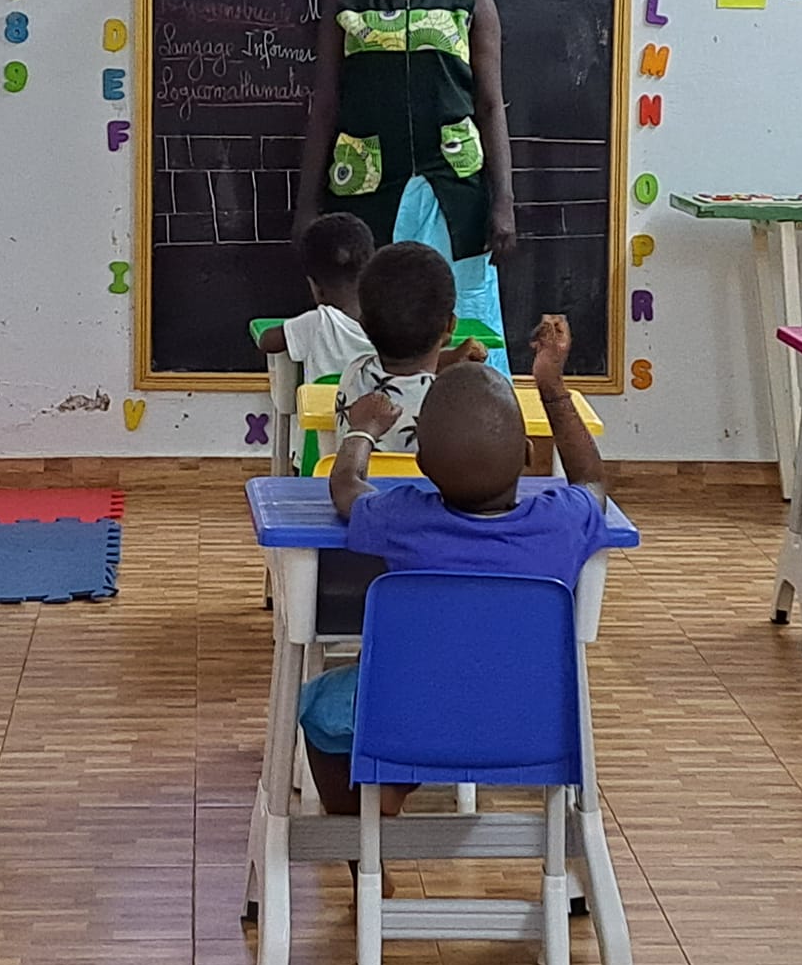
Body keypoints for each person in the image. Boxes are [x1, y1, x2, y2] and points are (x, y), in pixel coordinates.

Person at [299, 315, 609, 817]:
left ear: (421, 465)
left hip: (411, 723)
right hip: (534, 723)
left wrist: (361, 431)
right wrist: (550, 387)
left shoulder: (402, 518)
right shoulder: (561, 522)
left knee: (323, 704)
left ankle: (370, 816)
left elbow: (346, 489)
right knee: (461, 694)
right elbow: (592, 481)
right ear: (527, 454)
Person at [295, 0, 515, 375]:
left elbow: (490, 103)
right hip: (367, 190)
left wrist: (503, 200)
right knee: (370, 324)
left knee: (463, 320)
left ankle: (470, 420)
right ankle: (371, 420)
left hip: (455, 191)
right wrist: (306, 207)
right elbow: (324, 105)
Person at [333, 240, 487, 454]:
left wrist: (450, 359)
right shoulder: (454, 405)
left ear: (362, 324)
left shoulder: (353, 374)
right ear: (451, 325)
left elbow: (407, 379)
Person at [256, 211, 376, 383]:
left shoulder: (317, 323)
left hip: (322, 402)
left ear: (317, 288)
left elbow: (267, 341)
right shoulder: (388, 323)